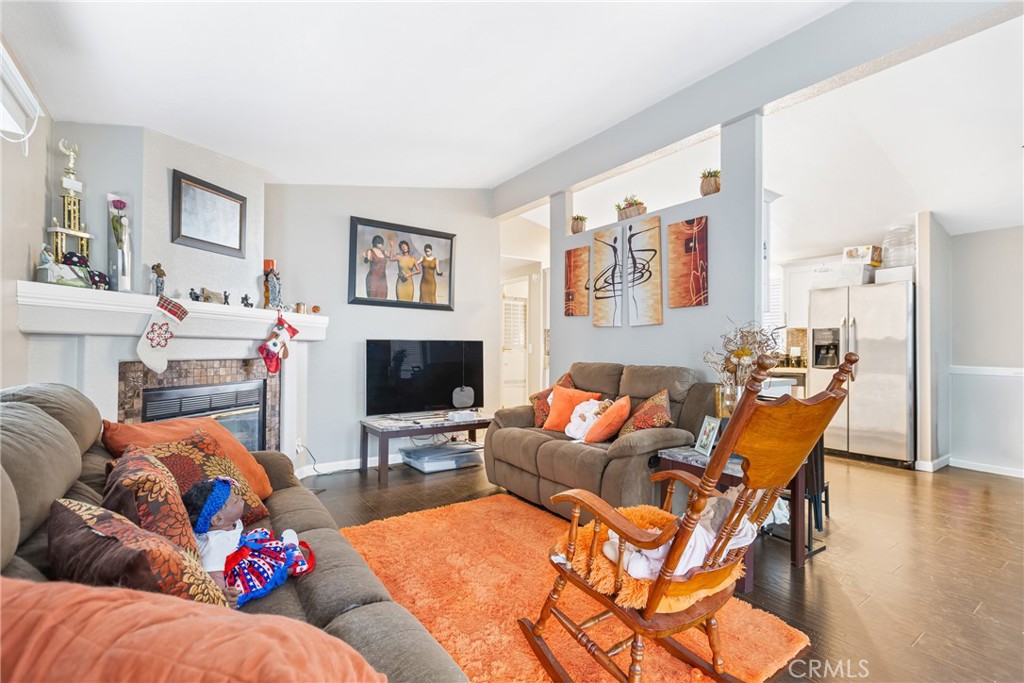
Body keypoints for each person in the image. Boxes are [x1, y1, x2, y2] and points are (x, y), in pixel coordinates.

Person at [182, 477, 312, 608]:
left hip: (240, 548)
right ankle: (291, 564)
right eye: (235, 501)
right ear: (218, 520)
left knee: (263, 546)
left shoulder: (220, 526)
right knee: (267, 570)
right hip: (237, 568)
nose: (239, 496)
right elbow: (214, 574)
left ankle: (285, 550)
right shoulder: (216, 544)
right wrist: (223, 596)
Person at [363, 235, 391, 299]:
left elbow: (391, 257)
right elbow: (367, 260)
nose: (381, 245)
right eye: (379, 243)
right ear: (375, 243)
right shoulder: (370, 251)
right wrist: (366, 257)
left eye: (382, 243)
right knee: (372, 297)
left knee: (383, 298)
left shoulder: (383, 252)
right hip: (373, 278)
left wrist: (391, 247)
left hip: (382, 279)